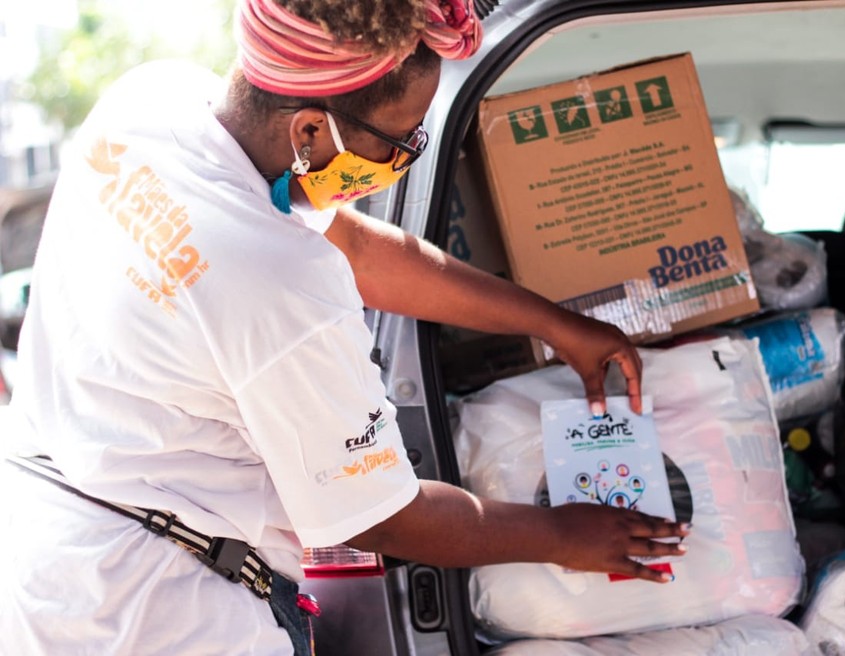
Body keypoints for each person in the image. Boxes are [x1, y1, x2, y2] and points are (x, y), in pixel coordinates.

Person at [0, 0, 689, 653]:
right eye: (400, 142)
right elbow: (379, 515)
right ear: (308, 130)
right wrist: (564, 534)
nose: (404, 155)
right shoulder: (278, 284)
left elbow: (356, 248)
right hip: (156, 615)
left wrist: (554, 323)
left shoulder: (149, 102)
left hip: (42, 550)